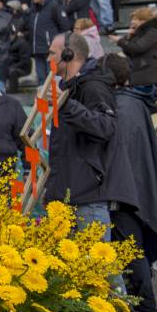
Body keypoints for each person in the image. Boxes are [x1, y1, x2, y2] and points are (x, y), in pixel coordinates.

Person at [100, 54, 157, 312]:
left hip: (125, 194)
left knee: (131, 251)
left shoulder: (121, 108)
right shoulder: (134, 105)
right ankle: (142, 307)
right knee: (133, 250)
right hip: (136, 191)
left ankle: (146, 308)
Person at [44, 33, 116, 234]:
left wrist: (67, 105)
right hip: (65, 196)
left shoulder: (92, 86)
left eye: (52, 53)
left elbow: (106, 127)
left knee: (94, 265)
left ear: (68, 55)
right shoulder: (67, 89)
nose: (48, 58)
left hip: (87, 199)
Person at [30, 0, 71, 84]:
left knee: (52, 78)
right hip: (37, 49)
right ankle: (42, 99)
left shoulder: (54, 6)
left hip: (51, 50)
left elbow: (65, 26)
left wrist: (58, 44)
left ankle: (53, 99)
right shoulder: (33, 8)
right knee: (41, 78)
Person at [115, 7, 157, 91]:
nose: (132, 22)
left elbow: (138, 48)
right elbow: (128, 51)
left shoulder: (151, 32)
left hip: (147, 77)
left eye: (135, 19)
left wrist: (120, 41)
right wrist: (128, 37)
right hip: (138, 75)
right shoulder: (138, 33)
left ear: (143, 20)